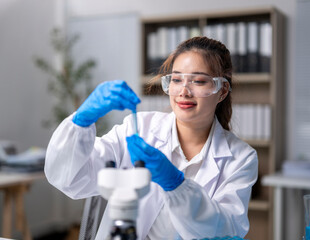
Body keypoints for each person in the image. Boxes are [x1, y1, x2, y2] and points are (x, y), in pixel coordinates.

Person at [44, 36, 258, 240]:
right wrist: (81, 122)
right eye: (176, 79)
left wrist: (176, 185)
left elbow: (225, 231)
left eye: (198, 81)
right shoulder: (137, 129)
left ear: (222, 91)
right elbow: (71, 179)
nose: (184, 91)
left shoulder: (241, 159)